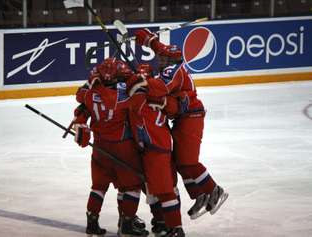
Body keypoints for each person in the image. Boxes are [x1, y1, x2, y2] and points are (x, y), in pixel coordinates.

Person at [130, 28, 228, 220]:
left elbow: (160, 87)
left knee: (189, 161)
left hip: (191, 118)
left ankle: (214, 190)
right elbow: (163, 50)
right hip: (184, 118)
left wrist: (143, 82)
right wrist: (148, 39)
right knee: (179, 161)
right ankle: (199, 194)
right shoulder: (174, 64)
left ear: (171, 61)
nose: (161, 61)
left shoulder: (173, 69)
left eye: (165, 59)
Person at [73, 57, 149, 236]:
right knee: (130, 187)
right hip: (124, 148)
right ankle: (127, 226)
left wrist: (93, 82)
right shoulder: (124, 96)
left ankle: (92, 223)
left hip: (100, 148)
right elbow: (142, 91)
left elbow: (79, 95)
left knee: (98, 186)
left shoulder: (89, 95)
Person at [125, 65, 185, 237]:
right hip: (165, 146)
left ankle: (175, 228)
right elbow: (175, 109)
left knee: (162, 190)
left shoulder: (135, 101)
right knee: (164, 188)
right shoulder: (162, 95)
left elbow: (135, 124)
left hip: (153, 150)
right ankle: (162, 223)